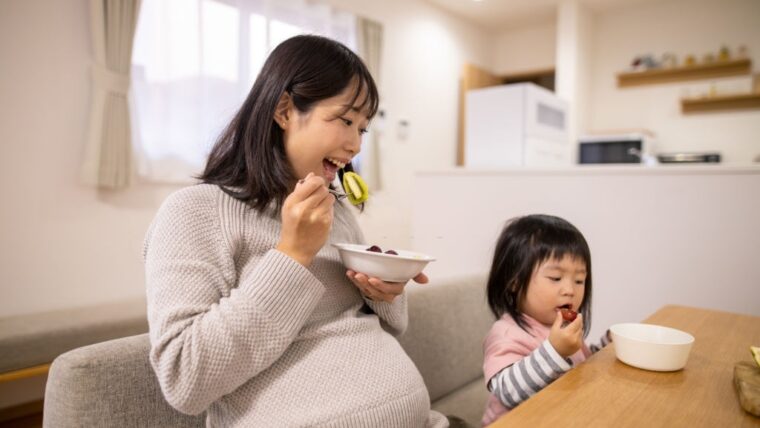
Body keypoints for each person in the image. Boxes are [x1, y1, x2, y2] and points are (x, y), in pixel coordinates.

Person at [143, 35, 448, 427]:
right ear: (284, 110)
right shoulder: (193, 212)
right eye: (345, 120)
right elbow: (185, 379)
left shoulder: (333, 210)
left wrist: (386, 292)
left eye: (363, 128)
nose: (355, 144)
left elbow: (388, 326)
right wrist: (292, 254)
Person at [481, 214, 611, 426]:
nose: (569, 290)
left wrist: (606, 346)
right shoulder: (506, 333)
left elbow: (580, 366)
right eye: (555, 278)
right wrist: (556, 351)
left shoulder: (562, 328)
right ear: (514, 281)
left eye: (579, 280)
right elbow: (506, 391)